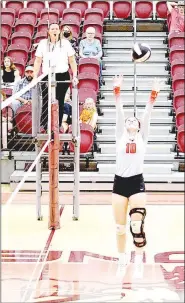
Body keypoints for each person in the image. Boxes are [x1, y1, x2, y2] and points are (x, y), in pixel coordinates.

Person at [112, 75, 161, 277]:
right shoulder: (119, 136)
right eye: (128, 120)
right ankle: (122, 261)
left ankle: (139, 260)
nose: (131, 120)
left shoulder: (143, 138)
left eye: (135, 120)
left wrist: (153, 95)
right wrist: (117, 91)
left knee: (136, 224)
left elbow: (147, 114)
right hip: (119, 184)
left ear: (139, 126)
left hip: (136, 182)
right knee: (120, 228)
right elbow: (119, 111)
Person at [33, 23, 78, 130]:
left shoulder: (66, 43)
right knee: (46, 99)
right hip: (47, 75)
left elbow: (72, 60)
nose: (55, 30)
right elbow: (38, 60)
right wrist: (35, 76)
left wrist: (75, 75)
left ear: (59, 31)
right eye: (52, 29)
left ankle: (57, 125)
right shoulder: (43, 43)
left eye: (57, 29)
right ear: (48, 31)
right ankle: (44, 125)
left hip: (62, 75)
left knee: (60, 100)